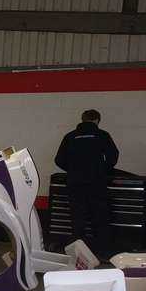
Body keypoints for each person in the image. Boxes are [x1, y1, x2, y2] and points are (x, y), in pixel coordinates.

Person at [54, 109, 119, 257]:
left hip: (75, 184)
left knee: (78, 220)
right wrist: (101, 170)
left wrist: (73, 170)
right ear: (97, 120)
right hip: (97, 184)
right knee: (100, 219)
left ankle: (78, 254)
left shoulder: (70, 136)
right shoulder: (102, 135)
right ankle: (101, 253)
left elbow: (59, 160)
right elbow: (113, 157)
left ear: (82, 120)